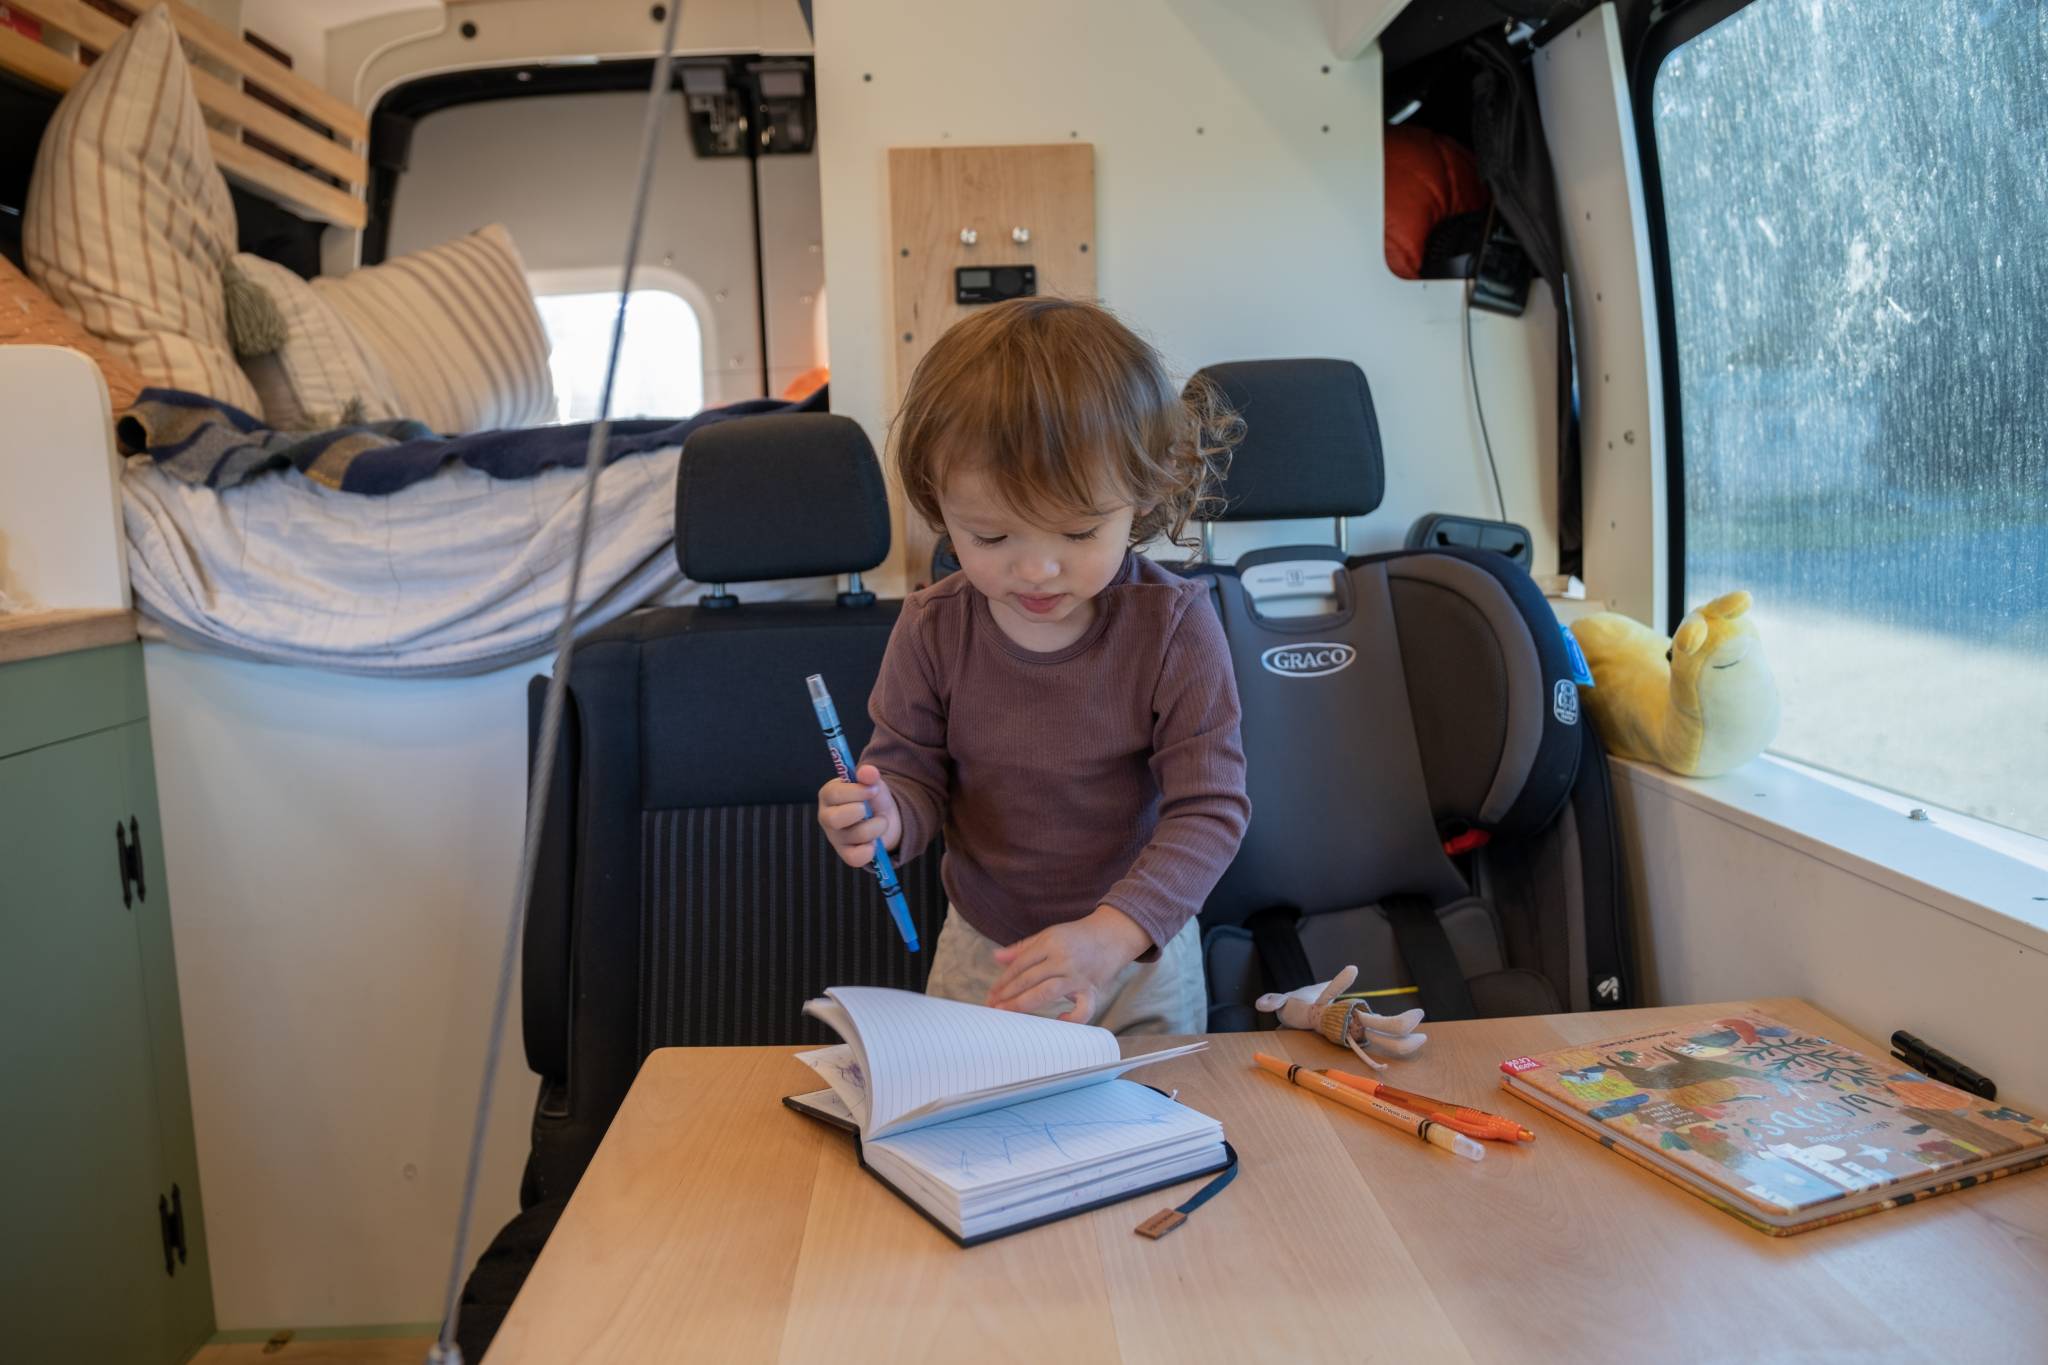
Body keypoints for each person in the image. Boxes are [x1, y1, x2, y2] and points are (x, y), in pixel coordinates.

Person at [816, 297, 1250, 1034]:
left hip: (1137, 950)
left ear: (1142, 494)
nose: (1039, 569)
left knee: (1154, 1140)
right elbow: (913, 779)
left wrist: (1113, 934)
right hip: (990, 951)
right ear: (940, 507)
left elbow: (1210, 808)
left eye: (1079, 530)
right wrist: (885, 817)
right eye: (990, 534)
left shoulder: (1176, 625)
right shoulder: (931, 628)